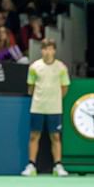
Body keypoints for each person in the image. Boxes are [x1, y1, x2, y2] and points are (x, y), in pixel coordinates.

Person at [21, 38, 71, 177]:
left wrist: (54, 100)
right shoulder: (34, 67)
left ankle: (58, 166)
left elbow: (64, 88)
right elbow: (30, 88)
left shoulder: (61, 67)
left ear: (54, 50)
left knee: (55, 136)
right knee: (34, 136)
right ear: (41, 50)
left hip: (55, 108)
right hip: (37, 106)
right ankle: (31, 165)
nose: (47, 52)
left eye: (50, 48)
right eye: (44, 48)